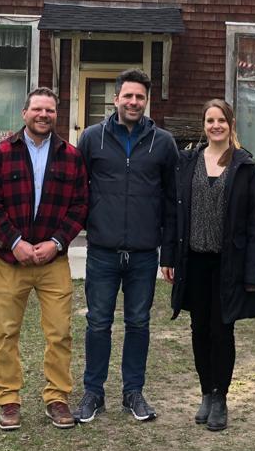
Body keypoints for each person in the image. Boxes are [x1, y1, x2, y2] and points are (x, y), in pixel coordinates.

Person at [74, 68, 179, 424]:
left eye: (140, 97)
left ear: (146, 101)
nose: (134, 102)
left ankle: (133, 391)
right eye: (128, 96)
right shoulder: (92, 138)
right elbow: (78, 191)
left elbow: (171, 200)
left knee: (138, 323)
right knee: (98, 323)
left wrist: (169, 251)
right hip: (102, 251)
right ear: (115, 98)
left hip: (144, 254)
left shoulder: (163, 142)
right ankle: (93, 392)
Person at [0, 87, 88, 431]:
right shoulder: (0, 155)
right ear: (24, 113)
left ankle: (57, 398)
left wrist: (57, 242)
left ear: (56, 115)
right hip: (10, 261)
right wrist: (14, 242)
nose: (44, 115)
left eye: (50, 111)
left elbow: (80, 206)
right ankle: (9, 400)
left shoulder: (71, 157)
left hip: (53, 262)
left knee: (59, 332)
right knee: (6, 333)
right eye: (38, 110)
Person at [166, 99, 255, 432]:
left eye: (221, 120)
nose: (215, 126)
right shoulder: (188, 161)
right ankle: (205, 392)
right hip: (193, 261)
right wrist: (168, 257)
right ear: (203, 124)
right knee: (198, 329)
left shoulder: (245, 166)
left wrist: (252, 273)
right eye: (210, 120)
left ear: (231, 123)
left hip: (227, 264)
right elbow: (173, 213)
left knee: (222, 331)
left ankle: (221, 397)